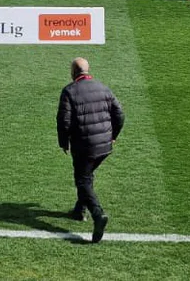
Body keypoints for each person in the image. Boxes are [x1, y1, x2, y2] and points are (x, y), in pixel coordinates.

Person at [57, 57, 124, 244]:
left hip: (84, 145)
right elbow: (119, 114)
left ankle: (97, 213)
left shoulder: (69, 91)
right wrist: (113, 135)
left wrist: (64, 142)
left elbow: (64, 121)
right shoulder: (103, 88)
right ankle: (79, 210)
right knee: (86, 175)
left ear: (73, 72)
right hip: (104, 146)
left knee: (82, 180)